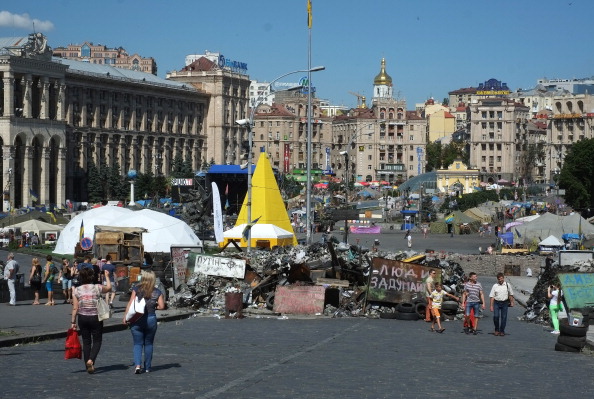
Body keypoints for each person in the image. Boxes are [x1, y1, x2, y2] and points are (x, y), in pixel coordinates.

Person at [123, 270, 165, 374]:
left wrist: (125, 316)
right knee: (149, 343)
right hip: (150, 319)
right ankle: (147, 367)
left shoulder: (136, 289)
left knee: (137, 343)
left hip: (137, 318)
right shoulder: (157, 291)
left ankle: (137, 365)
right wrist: (154, 306)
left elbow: (130, 303)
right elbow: (162, 306)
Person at [71, 267, 112, 374]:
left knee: (86, 341)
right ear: (92, 277)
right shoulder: (97, 287)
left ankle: (87, 366)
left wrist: (73, 322)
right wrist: (107, 276)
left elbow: (75, 308)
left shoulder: (77, 290)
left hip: (82, 317)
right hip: (95, 317)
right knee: (97, 340)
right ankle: (91, 360)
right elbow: (109, 288)